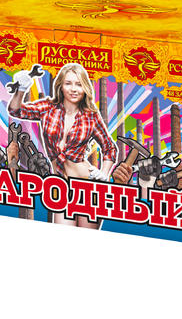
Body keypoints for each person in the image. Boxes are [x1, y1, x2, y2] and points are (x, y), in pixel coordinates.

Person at [8, 63, 117, 228]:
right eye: (68, 83)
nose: (73, 89)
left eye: (79, 84)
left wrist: (104, 173)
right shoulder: (48, 108)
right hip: (61, 186)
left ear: (85, 87)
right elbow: (16, 110)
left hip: (88, 185)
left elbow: (109, 148)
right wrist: (21, 89)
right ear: (60, 86)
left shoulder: (91, 116)